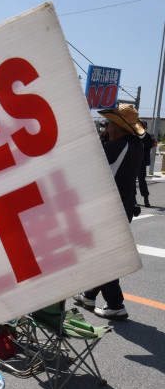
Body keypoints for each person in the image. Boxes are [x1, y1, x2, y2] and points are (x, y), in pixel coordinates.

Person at [74, 103, 144, 319]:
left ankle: (115, 304)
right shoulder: (135, 144)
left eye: (110, 124)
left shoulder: (117, 147)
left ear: (121, 127)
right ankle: (89, 294)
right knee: (102, 254)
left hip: (112, 211)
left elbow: (90, 170)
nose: (107, 128)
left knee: (105, 259)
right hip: (124, 207)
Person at [136, 120, 157, 208]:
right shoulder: (134, 136)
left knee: (142, 181)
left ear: (146, 128)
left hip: (142, 162)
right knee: (131, 181)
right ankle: (133, 199)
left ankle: (146, 199)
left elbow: (150, 144)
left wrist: (142, 136)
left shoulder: (148, 137)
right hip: (133, 161)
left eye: (143, 127)